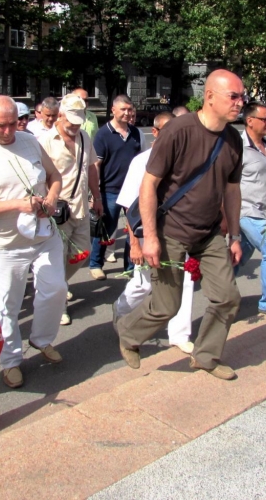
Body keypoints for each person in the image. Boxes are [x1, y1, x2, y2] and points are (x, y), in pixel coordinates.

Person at [115, 69, 244, 380]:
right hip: (170, 230)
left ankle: (206, 357)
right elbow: (148, 185)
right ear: (209, 96)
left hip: (210, 232)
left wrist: (235, 235)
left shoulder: (233, 140)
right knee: (167, 306)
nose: (241, 103)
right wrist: (149, 237)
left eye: (242, 96)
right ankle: (129, 334)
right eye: (234, 96)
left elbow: (231, 190)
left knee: (227, 297)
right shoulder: (178, 131)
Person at [0, 97, 66, 390]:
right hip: (5, 244)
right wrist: (18, 205)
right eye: (2, 125)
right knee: (6, 304)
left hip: (42, 232)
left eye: (13, 123)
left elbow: (54, 175)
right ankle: (10, 362)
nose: (9, 130)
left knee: (56, 287)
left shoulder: (29, 140)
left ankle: (41, 339)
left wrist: (51, 198)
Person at [114, 111, 195, 354]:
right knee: (143, 284)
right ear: (156, 133)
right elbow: (130, 206)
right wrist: (135, 244)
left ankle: (179, 334)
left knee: (185, 280)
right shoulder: (142, 161)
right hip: (148, 234)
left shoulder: (187, 159)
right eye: (168, 130)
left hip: (179, 232)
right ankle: (121, 311)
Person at [39, 94, 102, 325]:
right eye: (71, 121)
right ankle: (59, 304)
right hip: (57, 211)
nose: (75, 125)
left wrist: (97, 197)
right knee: (58, 257)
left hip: (81, 208)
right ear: (61, 115)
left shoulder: (85, 136)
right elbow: (38, 177)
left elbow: (92, 169)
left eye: (79, 121)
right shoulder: (45, 140)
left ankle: (57, 284)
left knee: (81, 253)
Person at [89, 95, 145, 280]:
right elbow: (96, 165)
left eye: (130, 110)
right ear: (113, 110)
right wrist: (94, 194)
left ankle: (130, 267)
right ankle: (96, 264)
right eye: (123, 109)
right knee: (106, 229)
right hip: (110, 191)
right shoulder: (103, 134)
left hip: (133, 192)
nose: (127, 113)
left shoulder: (136, 133)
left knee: (133, 230)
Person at [234, 101, 266, 316]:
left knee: (239, 257)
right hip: (247, 212)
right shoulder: (237, 148)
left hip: (265, 214)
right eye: (265, 119)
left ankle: (219, 290)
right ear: (250, 121)